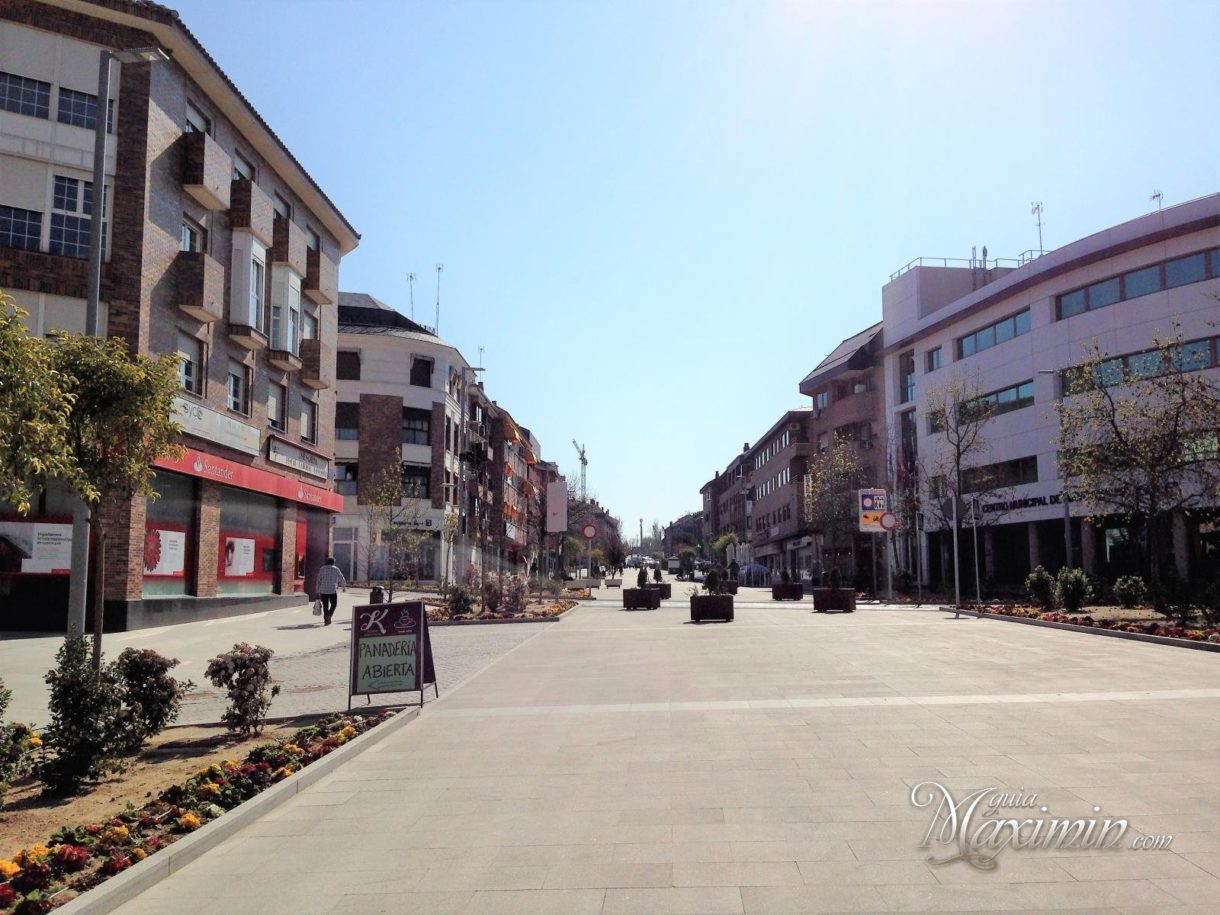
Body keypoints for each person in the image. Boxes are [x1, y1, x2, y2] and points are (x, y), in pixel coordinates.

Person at [314, 556, 346, 625]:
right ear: (333, 562)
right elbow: (341, 577)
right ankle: (329, 615)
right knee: (334, 604)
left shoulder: (322, 569)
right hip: (332, 590)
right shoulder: (336, 569)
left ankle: (326, 620)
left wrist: (317, 590)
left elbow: (318, 580)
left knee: (325, 605)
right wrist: (344, 586)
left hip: (323, 590)